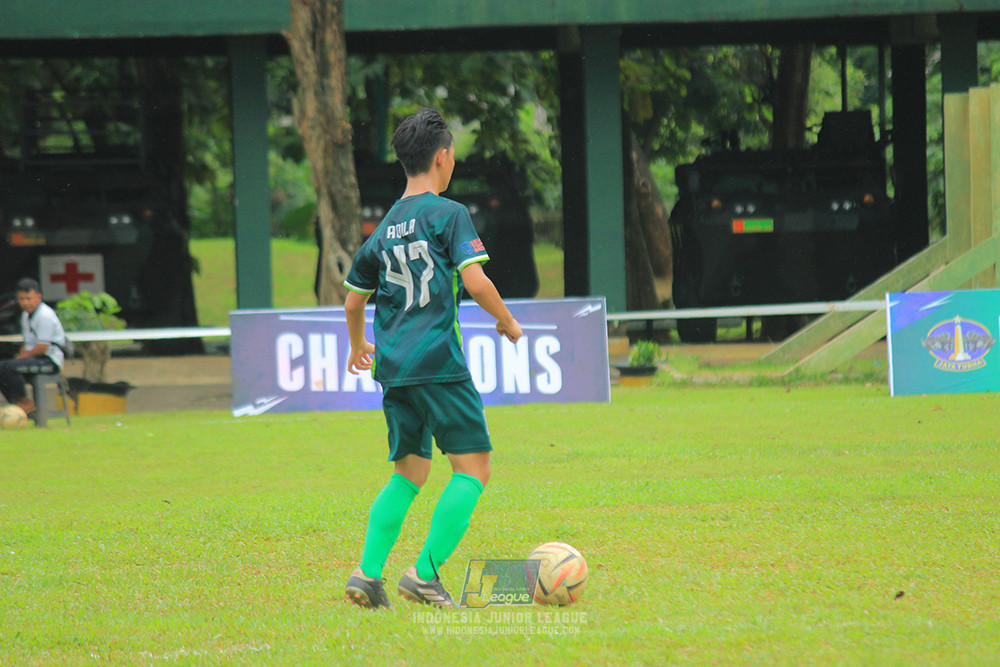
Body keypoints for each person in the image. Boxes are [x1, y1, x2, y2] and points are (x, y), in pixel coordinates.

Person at [342, 108, 523, 609]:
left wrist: (359, 346)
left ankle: (366, 573)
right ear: (442, 157)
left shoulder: (381, 231)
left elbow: (353, 300)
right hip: (440, 363)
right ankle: (423, 575)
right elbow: (476, 280)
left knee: (410, 473)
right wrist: (507, 321)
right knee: (474, 469)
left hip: (395, 370)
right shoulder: (449, 215)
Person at [0, 278, 67, 414]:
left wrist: (20, 359)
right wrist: (20, 356)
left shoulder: (45, 316)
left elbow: (42, 347)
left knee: (11, 367)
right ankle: (17, 403)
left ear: (39, 297)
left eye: (29, 298)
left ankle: (25, 403)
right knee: (2, 367)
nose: (25, 303)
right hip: (35, 358)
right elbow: (26, 342)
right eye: (22, 299)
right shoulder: (25, 315)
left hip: (49, 360)